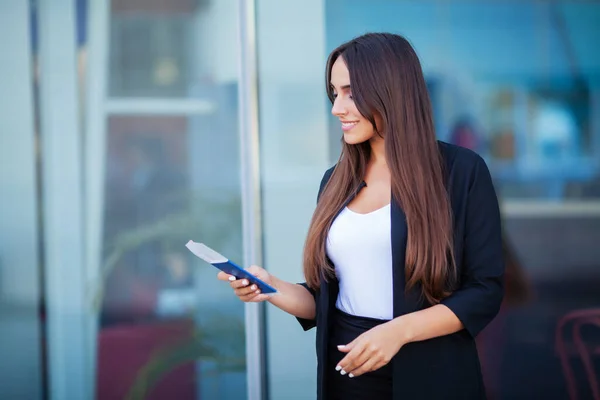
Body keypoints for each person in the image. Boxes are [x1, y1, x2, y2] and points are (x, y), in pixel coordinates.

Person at [218, 32, 504, 400]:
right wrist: (268, 286)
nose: (337, 107)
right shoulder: (335, 181)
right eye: (334, 93)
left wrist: (398, 331)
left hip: (431, 372)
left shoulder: (460, 172)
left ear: (391, 91)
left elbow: (484, 291)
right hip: (348, 372)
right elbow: (327, 300)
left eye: (351, 92)